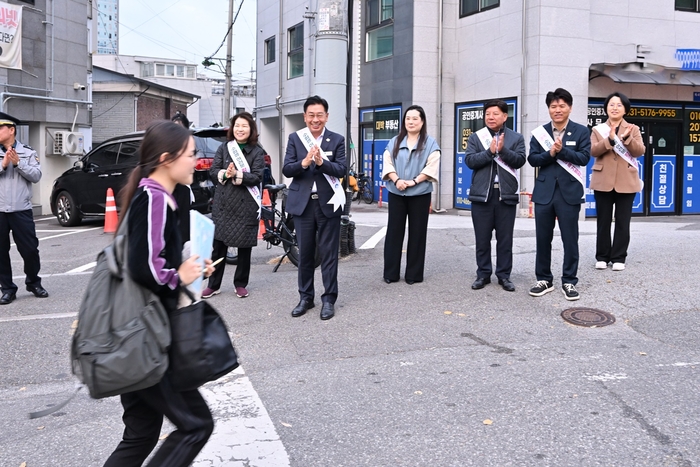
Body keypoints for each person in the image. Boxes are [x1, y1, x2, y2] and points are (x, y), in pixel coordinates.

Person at [104, 121, 215, 467]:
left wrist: (190, 268)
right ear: (167, 159)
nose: (196, 162)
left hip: (137, 334)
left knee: (141, 434)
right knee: (196, 425)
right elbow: (146, 269)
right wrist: (178, 276)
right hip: (148, 340)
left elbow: (151, 258)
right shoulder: (153, 198)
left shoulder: (155, 195)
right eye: (191, 155)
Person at [282, 95, 347, 320]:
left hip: (328, 203)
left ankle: (328, 299)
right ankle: (305, 297)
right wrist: (304, 163)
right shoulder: (295, 139)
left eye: (320, 115)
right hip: (304, 205)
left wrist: (321, 163)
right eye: (311, 115)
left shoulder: (337, 140)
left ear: (327, 117)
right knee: (306, 253)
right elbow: (287, 169)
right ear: (305, 117)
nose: (315, 119)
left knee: (329, 254)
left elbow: (341, 170)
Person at [527, 88, 591, 301]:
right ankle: (544, 278)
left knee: (570, 239)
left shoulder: (581, 131)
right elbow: (533, 160)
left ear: (570, 108)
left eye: (562, 106)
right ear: (548, 109)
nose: (558, 110)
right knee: (542, 239)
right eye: (553, 106)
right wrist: (550, 153)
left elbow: (584, 158)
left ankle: (570, 281)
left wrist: (562, 151)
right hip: (544, 192)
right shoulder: (540, 133)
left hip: (569, 193)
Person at [465, 100, 526, 292]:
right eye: (488, 114)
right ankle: (483, 274)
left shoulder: (516, 138)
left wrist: (503, 150)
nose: (491, 117)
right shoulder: (476, 137)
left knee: (505, 239)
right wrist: (490, 152)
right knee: (482, 239)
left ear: (505, 116)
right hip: (481, 196)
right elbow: (470, 161)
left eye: (495, 113)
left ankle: (504, 276)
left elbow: (520, 160)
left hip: (505, 195)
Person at [203, 112, 265, 299]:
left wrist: (238, 175)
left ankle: (240, 283)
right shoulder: (224, 148)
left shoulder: (257, 151)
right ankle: (213, 284)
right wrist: (224, 173)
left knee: (244, 248)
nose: (240, 129)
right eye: (237, 125)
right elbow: (213, 171)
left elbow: (257, 176)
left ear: (251, 129)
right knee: (218, 247)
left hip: (246, 205)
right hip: (223, 205)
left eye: (244, 126)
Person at [381, 105, 440, 285]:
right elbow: (387, 162)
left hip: (420, 193)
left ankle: (413, 274)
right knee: (394, 232)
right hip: (396, 192)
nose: (411, 121)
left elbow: (432, 166)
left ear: (422, 122)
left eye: (415, 118)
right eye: (408, 118)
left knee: (417, 233)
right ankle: (390, 273)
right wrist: (397, 180)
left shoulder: (430, 144)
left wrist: (414, 181)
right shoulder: (394, 142)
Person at [590, 92, 645, 271]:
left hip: (626, 181)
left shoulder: (633, 129)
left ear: (625, 109)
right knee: (603, 220)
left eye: (619, 105)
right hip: (603, 179)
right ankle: (602, 256)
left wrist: (627, 139)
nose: (614, 108)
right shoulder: (598, 130)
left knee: (623, 221)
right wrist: (610, 140)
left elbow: (639, 151)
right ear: (606, 108)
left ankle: (619, 257)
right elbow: (594, 151)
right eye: (611, 104)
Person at [0, 112, 48, 305]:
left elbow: (36, 176)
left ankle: (33, 282)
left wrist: (18, 163)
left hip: (22, 210)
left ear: (11, 130)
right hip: (0, 211)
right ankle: (7, 289)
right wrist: (3, 165)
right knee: (1, 252)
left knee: (30, 250)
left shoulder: (28, 152)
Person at [171, 112, 193, 242]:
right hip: (170, 188)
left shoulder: (188, 145)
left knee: (183, 223)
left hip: (183, 187)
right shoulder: (166, 145)